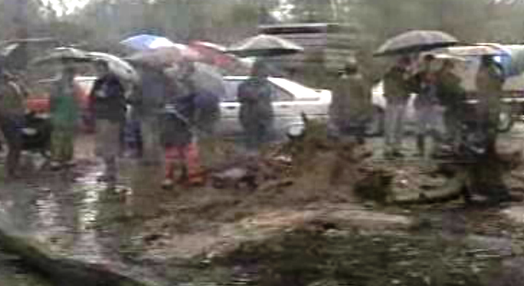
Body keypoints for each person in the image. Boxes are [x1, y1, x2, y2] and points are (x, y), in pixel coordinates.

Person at [161, 68, 203, 189]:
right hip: (175, 129)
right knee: (181, 153)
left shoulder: (184, 96)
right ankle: (186, 177)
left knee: (181, 154)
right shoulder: (181, 95)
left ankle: (176, 177)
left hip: (177, 129)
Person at [89, 61, 127, 182]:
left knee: (109, 145)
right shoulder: (99, 82)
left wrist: (104, 95)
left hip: (111, 117)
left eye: (100, 69)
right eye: (96, 69)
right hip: (100, 116)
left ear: (106, 69)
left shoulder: (114, 82)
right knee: (103, 146)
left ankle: (111, 172)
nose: (97, 71)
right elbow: (92, 97)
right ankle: (108, 170)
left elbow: (116, 99)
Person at [131, 66, 169, 165]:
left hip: (145, 111)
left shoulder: (141, 80)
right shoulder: (163, 78)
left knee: (147, 136)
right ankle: (158, 159)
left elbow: (135, 97)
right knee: (157, 136)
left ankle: (149, 159)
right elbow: (168, 94)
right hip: (160, 111)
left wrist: (132, 98)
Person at [329, 58, 372, 143]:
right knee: (359, 137)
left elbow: (335, 98)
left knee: (344, 137)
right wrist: (366, 112)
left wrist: (334, 114)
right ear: (356, 69)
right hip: (358, 113)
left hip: (343, 114)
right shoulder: (361, 81)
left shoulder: (340, 81)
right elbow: (367, 97)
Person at [237, 60, 274, 151]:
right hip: (250, 116)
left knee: (265, 141)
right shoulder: (246, 84)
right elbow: (248, 96)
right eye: (264, 69)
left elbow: (268, 97)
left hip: (265, 116)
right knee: (251, 141)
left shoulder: (267, 84)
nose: (267, 72)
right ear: (256, 70)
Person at [50, 65, 81, 169]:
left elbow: (78, 101)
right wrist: (62, 94)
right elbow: (52, 100)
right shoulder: (57, 84)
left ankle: (68, 158)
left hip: (71, 115)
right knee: (58, 138)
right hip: (59, 114)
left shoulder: (74, 85)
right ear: (65, 73)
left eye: (73, 74)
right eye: (70, 74)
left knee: (69, 138)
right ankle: (56, 160)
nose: (72, 76)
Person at [411, 54, 442, 157]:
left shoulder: (436, 76)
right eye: (427, 61)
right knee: (420, 128)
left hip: (432, 104)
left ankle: (436, 149)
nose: (428, 64)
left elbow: (439, 89)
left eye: (430, 62)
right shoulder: (419, 75)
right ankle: (420, 150)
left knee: (435, 127)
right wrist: (421, 85)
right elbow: (413, 88)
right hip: (421, 104)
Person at [383, 57, 411, 158]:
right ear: (399, 63)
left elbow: (409, 87)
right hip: (393, 102)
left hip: (402, 102)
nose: (405, 66)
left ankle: (396, 148)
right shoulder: (391, 74)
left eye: (407, 65)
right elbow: (388, 88)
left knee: (400, 127)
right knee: (391, 126)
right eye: (404, 64)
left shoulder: (406, 74)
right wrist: (391, 97)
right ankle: (388, 149)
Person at [436, 59, 466, 152]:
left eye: (450, 67)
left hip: (452, 105)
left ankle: (454, 146)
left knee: (453, 126)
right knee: (446, 126)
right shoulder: (439, 77)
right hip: (444, 104)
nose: (449, 69)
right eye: (448, 67)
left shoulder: (451, 77)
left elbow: (460, 88)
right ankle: (448, 146)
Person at [0, 69, 26, 178]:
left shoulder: (14, 86)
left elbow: (25, 94)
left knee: (15, 145)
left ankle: (11, 170)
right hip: (10, 119)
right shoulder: (9, 87)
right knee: (15, 145)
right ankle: (10, 171)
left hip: (12, 118)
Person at [476, 55, 504, 154]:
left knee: (485, 126)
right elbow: (499, 83)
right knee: (490, 126)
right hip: (491, 102)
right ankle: (489, 149)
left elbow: (478, 84)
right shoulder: (493, 70)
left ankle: (487, 148)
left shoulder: (481, 69)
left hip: (484, 102)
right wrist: (501, 69)